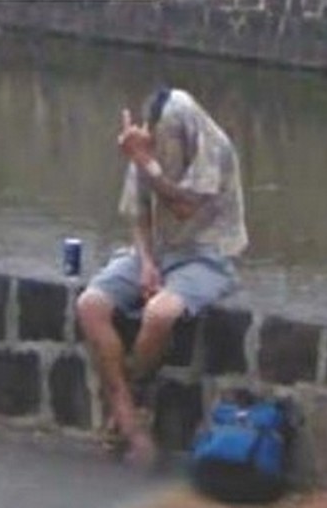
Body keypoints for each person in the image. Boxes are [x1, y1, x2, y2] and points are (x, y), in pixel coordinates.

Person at [76, 88, 248, 467]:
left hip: (206, 254)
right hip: (156, 248)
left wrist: (145, 162)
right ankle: (126, 414)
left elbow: (184, 205)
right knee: (90, 305)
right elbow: (138, 213)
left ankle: (131, 399)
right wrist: (147, 261)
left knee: (159, 314)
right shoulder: (144, 142)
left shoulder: (213, 146)